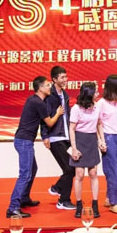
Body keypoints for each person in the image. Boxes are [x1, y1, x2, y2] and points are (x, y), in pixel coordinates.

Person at [7, 76, 64, 218]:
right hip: (24, 141)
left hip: (23, 140)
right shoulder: (38, 103)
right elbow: (49, 123)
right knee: (25, 174)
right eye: (47, 85)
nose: (50, 87)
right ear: (40, 88)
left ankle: (24, 198)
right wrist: (58, 113)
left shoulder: (33, 100)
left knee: (32, 169)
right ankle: (13, 207)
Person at [70, 82, 106, 218]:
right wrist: (74, 148)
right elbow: (71, 129)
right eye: (95, 91)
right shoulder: (76, 108)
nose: (98, 93)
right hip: (79, 140)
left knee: (93, 173)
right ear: (89, 93)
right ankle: (79, 204)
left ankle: (95, 204)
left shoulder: (97, 107)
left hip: (91, 140)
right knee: (79, 174)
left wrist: (101, 140)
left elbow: (99, 124)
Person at [42, 66, 76, 211]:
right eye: (62, 77)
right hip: (55, 136)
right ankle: (63, 200)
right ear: (54, 79)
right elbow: (44, 116)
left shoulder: (65, 94)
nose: (65, 79)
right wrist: (45, 136)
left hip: (66, 136)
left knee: (71, 168)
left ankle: (57, 188)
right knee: (69, 169)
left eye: (66, 76)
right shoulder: (50, 96)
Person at [98, 74, 117, 214]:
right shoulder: (101, 103)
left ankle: (109, 197)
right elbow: (97, 124)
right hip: (108, 138)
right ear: (114, 86)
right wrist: (101, 140)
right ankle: (114, 203)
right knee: (112, 171)